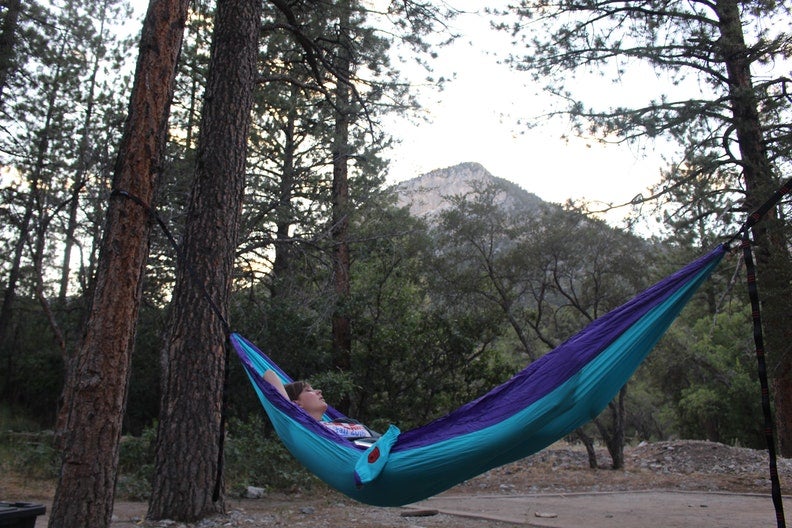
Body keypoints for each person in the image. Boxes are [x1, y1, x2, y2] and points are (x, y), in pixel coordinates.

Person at [262, 369, 379, 442]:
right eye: (308, 390)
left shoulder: (338, 422)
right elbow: (269, 374)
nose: (319, 391)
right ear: (297, 403)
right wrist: (290, 407)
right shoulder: (301, 424)